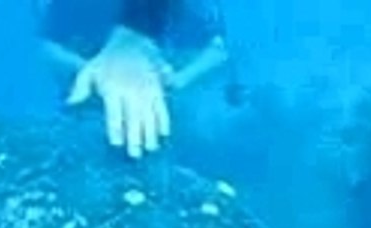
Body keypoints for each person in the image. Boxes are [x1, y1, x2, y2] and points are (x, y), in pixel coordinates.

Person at [38, 0, 229, 159]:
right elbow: (47, 45)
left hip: (157, 94)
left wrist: (178, 79)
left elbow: (218, 49)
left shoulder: (193, 10)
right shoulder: (69, 7)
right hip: (91, 98)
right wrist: (91, 71)